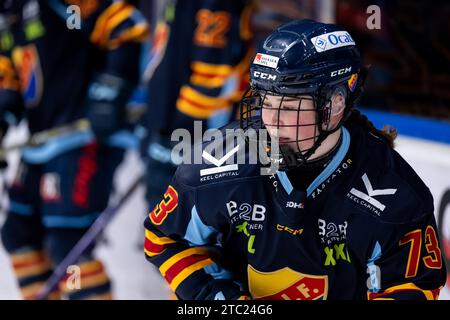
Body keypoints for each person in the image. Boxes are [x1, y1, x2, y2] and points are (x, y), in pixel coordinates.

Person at [143, 19, 447, 300]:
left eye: (289, 106)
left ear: (336, 103)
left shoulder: (395, 195)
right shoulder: (216, 164)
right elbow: (164, 239)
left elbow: (415, 286)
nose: (272, 122)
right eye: (266, 102)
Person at [0, 0, 148, 299]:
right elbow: (10, 79)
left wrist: (111, 86)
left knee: (68, 245)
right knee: (18, 234)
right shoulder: (10, 12)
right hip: (42, 140)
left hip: (84, 138)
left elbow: (126, 26)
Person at [140, 0, 255, 217]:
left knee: (178, 228)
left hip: (186, 134)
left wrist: (177, 134)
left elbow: (212, 77)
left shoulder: (214, 4)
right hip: (172, 127)